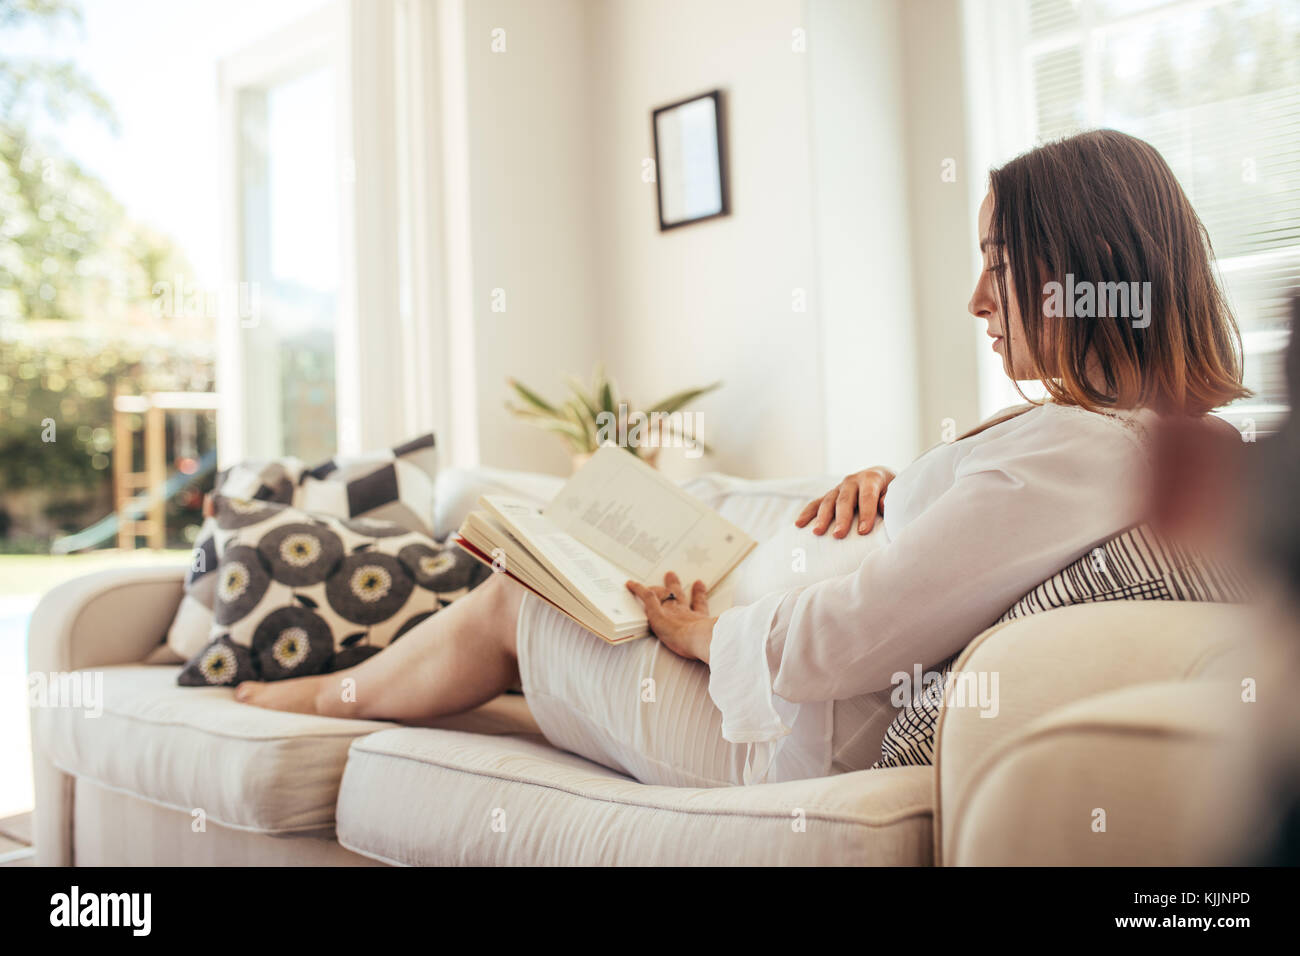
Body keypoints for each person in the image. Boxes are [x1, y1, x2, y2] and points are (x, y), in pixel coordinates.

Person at [237, 129, 1249, 787]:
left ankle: (320, 693)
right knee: (546, 575)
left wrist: (704, 633)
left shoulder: (1087, 449)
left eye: (995, 262)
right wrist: (896, 490)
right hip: (768, 677)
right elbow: (959, 557)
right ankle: (401, 678)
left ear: (1076, 269)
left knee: (516, 599)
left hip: (780, 729)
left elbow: (850, 639)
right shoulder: (1100, 441)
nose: (977, 299)